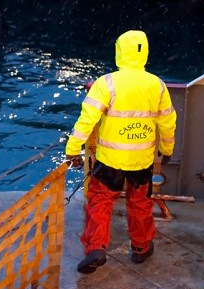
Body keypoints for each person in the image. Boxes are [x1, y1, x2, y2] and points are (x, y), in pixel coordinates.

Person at [65, 30, 177, 274]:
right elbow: (167, 122)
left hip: (110, 161)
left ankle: (96, 247)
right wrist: (167, 149)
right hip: (141, 161)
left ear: (119, 51)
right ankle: (141, 247)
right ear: (144, 53)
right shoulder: (157, 85)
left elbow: (86, 121)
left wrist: (72, 149)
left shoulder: (106, 83)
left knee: (100, 203)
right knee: (140, 204)